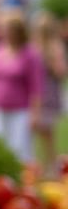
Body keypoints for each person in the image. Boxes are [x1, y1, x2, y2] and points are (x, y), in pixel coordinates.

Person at [0, 8, 44, 162]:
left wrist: (35, 113)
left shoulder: (30, 54)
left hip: (21, 111)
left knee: (20, 150)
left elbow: (36, 86)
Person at [31, 10, 67, 174]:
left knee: (47, 133)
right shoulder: (34, 46)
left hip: (47, 94)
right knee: (40, 132)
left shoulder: (53, 47)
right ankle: (41, 166)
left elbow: (61, 72)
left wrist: (51, 63)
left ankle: (50, 167)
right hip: (38, 94)